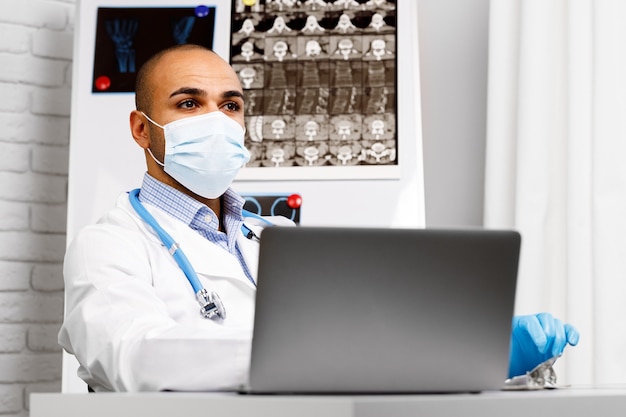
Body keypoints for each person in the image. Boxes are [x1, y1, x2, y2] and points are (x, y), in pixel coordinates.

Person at [58, 44, 579, 392]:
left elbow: (368, 342)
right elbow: (131, 358)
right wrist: (298, 355)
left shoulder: (276, 236)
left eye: (231, 105)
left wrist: (471, 349)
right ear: (142, 130)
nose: (217, 120)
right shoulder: (108, 244)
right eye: (189, 103)